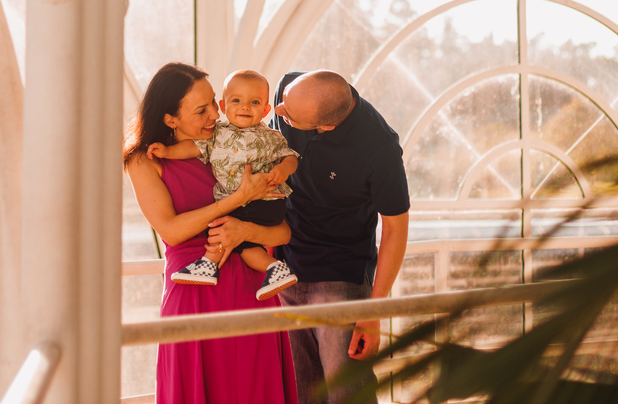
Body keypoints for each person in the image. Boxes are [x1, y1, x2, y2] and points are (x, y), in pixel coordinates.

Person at [124, 62, 298, 404]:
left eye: (215, 104)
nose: (214, 115)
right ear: (170, 119)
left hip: (254, 292)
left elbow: (282, 234)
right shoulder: (145, 161)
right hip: (194, 292)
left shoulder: (240, 142)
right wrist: (237, 199)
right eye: (201, 110)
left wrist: (244, 229)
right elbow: (173, 232)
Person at [248, 69, 410, 404]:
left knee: (347, 396)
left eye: (287, 116)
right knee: (301, 396)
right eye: (283, 102)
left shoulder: (379, 149)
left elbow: (395, 228)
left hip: (340, 281)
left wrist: (372, 313)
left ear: (325, 127)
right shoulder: (292, 93)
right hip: (282, 272)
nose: (278, 112)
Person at [148, 69, 300, 300]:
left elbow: (290, 158)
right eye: (236, 101)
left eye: (254, 102)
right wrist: (167, 152)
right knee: (236, 238)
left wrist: (282, 170)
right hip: (197, 288)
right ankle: (271, 268)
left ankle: (212, 264)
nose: (214, 114)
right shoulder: (218, 135)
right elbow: (194, 147)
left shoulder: (270, 136)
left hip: (264, 202)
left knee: (226, 230)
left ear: (266, 109)